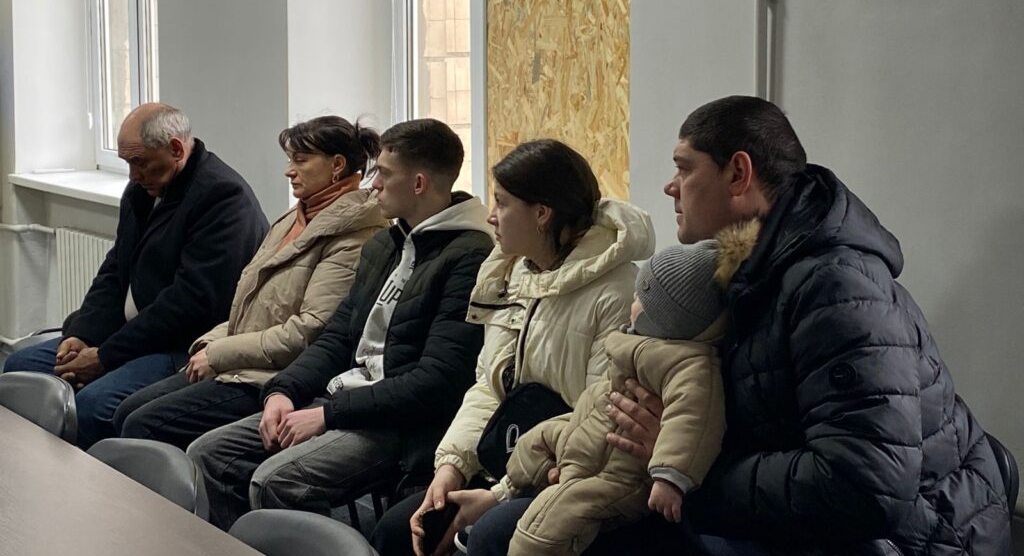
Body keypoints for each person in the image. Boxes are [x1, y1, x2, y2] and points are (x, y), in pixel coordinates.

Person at [599, 96, 1012, 555]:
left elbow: (864, 486)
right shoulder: (754, 269)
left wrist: (689, 465)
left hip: (919, 541)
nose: (670, 187)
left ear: (738, 174)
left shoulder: (835, 286)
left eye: (684, 168)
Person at [186, 118, 495, 531]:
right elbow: (336, 337)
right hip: (345, 399)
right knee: (211, 453)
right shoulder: (385, 245)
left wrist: (328, 415)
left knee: (278, 481)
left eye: (383, 174)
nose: (373, 185)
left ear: (418, 183)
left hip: (400, 423)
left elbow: (436, 381)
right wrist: (283, 391)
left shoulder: (470, 257)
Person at [368, 138, 656, 556]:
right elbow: (490, 386)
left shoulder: (616, 292)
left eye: (502, 203)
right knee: (399, 530)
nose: (490, 216)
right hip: (504, 455)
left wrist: (498, 495)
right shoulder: (512, 274)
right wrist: (451, 467)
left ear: (542, 213)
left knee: (486, 535)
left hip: (566, 475)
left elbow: (596, 428)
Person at [112, 116, 388, 449]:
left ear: (337, 165)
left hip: (270, 377)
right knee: (125, 412)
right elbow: (248, 306)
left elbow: (309, 332)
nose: (289, 171)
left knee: (142, 424)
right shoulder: (293, 218)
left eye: (300, 160)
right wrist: (210, 343)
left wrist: (219, 353)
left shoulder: (355, 237)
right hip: (238, 362)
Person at [3, 103, 268, 449]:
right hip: (130, 335)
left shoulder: (223, 199)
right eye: (127, 162)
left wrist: (105, 357)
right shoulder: (143, 191)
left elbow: (188, 307)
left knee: (93, 406)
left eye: (139, 162)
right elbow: (115, 269)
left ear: (176, 149)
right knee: (21, 367)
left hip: (181, 345)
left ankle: (85, 481)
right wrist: (83, 334)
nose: (132, 174)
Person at [500, 221, 759, 556]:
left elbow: (694, 421)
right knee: (534, 439)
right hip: (594, 432)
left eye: (639, 297)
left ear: (662, 317)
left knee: (558, 514)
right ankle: (509, 487)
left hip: (617, 474)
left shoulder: (690, 365)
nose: (631, 302)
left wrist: (669, 477)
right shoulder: (636, 342)